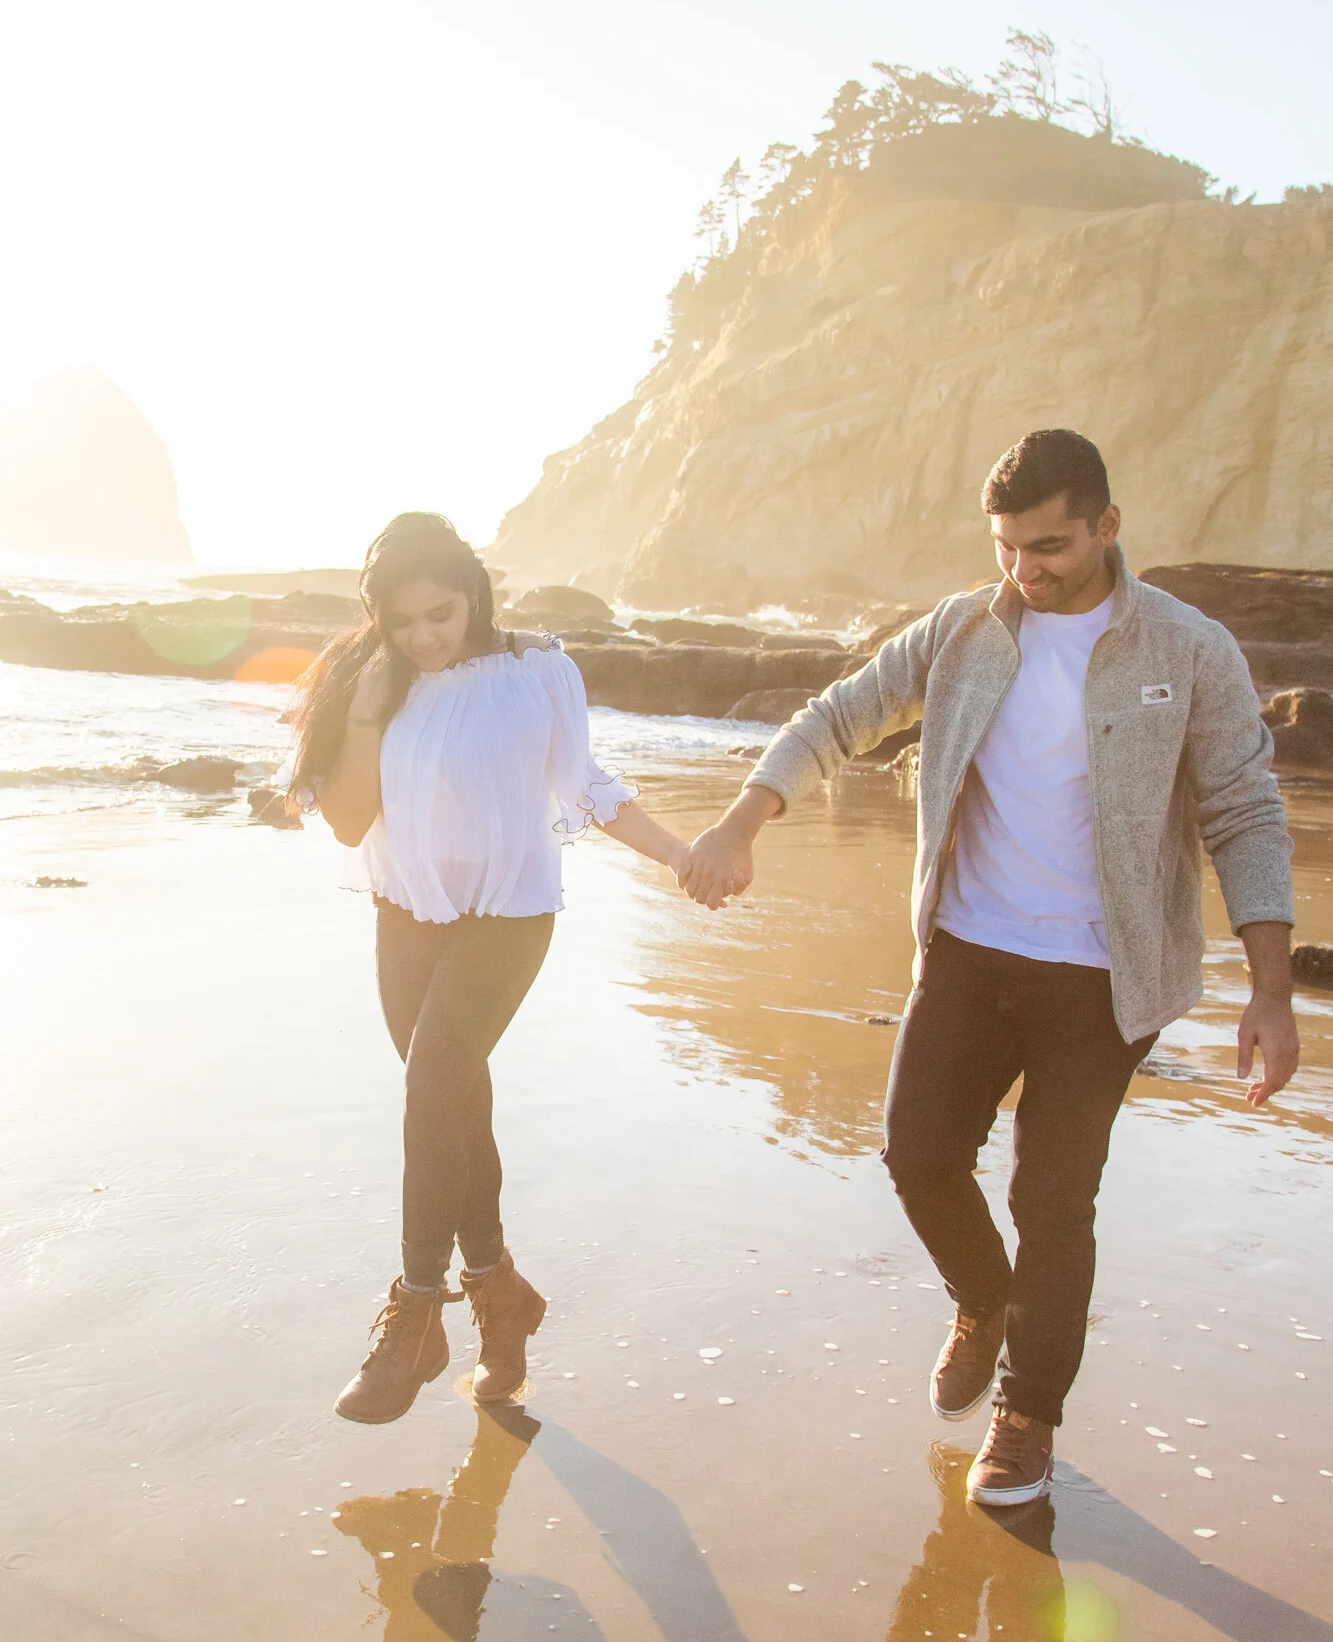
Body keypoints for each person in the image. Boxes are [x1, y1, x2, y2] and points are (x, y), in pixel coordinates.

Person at [677, 429, 1298, 1506]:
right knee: (917, 1153)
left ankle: (1024, 1417)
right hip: (967, 946)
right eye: (1009, 546)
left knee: (1053, 1197)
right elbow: (841, 713)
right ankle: (983, 1294)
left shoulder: (1189, 649)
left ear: (1107, 524)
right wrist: (744, 815)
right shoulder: (963, 629)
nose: (1027, 568)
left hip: (1102, 976)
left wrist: (1271, 988)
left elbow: (1244, 810)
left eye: (1050, 544)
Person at [286, 511, 687, 1423]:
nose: (424, 636)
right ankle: (502, 1301)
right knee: (455, 1109)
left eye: (441, 613)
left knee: (433, 1088)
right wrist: (361, 699)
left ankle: (416, 1311)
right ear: (379, 618)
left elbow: (585, 787)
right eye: (402, 622)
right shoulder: (374, 682)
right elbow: (349, 822)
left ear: (475, 592)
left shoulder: (540, 669)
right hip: (407, 917)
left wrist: (678, 853)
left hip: (509, 914)